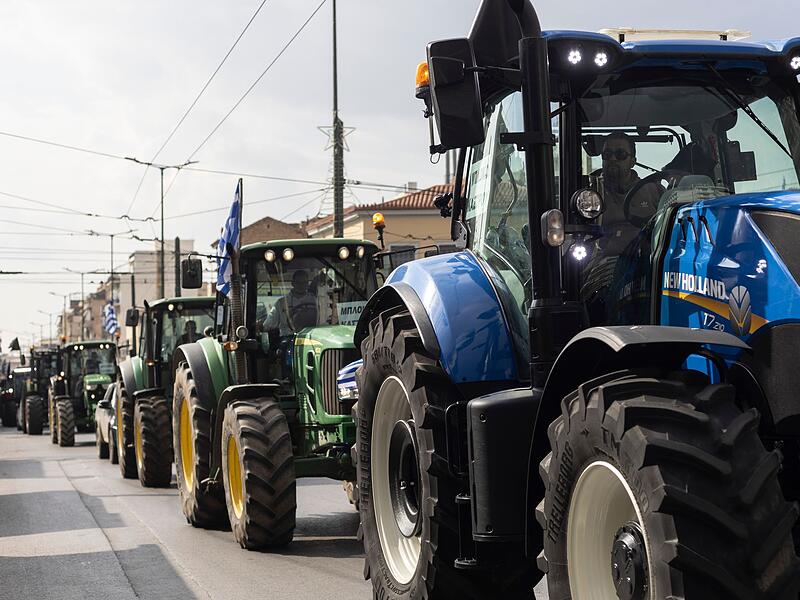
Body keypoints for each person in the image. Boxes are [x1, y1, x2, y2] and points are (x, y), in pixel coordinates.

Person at [262, 270, 319, 337]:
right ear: (293, 283)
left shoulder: (315, 300)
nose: (301, 285)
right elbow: (269, 323)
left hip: (312, 337)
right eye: (298, 282)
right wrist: (261, 327)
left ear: (307, 284)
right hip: (288, 338)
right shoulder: (281, 303)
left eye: (304, 282)